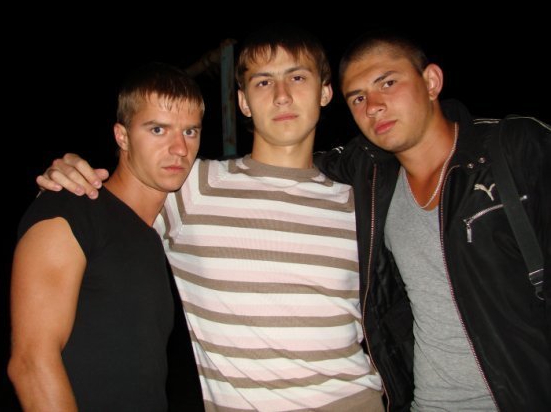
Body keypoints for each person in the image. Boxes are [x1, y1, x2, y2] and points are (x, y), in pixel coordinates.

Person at [36, 25, 385, 411]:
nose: (282, 95)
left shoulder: (362, 204)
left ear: (325, 92)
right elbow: (102, 208)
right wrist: (67, 178)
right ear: (244, 102)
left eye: (297, 77)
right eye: (264, 82)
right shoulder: (191, 187)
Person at [315, 31, 550, 410]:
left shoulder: (515, 149)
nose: (373, 106)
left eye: (387, 83)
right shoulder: (373, 179)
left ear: (431, 82)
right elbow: (290, 166)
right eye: (357, 98)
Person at [8, 63, 205, 411]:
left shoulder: (152, 234)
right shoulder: (70, 209)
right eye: (158, 129)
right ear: (122, 136)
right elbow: (31, 364)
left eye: (190, 131)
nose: (179, 148)